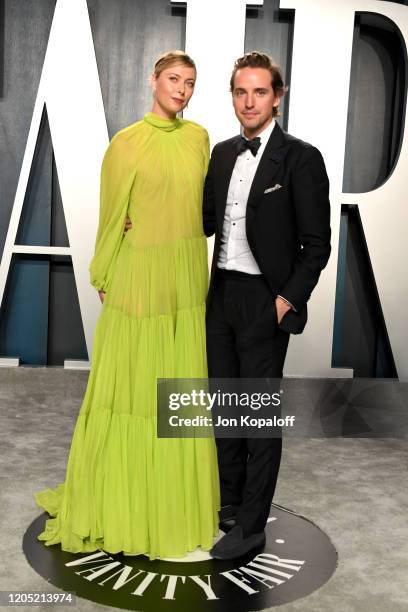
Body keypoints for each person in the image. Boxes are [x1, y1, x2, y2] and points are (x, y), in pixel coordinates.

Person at [34, 50, 220, 560]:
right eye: (173, 80)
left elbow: (202, 209)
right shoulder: (126, 143)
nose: (182, 90)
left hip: (185, 277)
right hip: (140, 277)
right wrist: (107, 270)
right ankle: (125, 504)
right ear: (153, 81)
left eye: (190, 83)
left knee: (176, 391)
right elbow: (114, 211)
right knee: (138, 392)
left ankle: (173, 505)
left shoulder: (200, 138)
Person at [203, 52, 331, 559]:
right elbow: (202, 220)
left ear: (276, 97)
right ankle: (230, 506)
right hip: (221, 296)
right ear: (232, 97)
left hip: (264, 299)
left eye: (259, 92)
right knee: (224, 409)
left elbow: (316, 245)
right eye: (240, 92)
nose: (249, 101)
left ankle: (252, 526)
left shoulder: (301, 158)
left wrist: (282, 303)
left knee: (256, 416)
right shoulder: (219, 153)